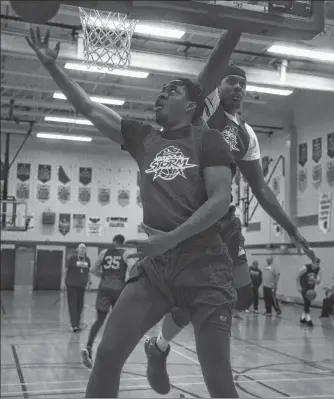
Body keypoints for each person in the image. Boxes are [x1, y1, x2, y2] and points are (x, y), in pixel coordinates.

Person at [26, 28, 241, 398]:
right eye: (160, 91)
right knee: (108, 355)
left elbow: (219, 200)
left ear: (191, 106)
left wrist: (170, 239)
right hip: (157, 266)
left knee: (218, 377)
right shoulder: (145, 137)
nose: (160, 95)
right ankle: (154, 353)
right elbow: (89, 108)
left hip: (205, 262)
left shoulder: (208, 140)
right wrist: (53, 66)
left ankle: (157, 352)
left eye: (170, 91)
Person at [143, 29, 316, 395]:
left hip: (224, 220)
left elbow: (262, 188)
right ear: (217, 87)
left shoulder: (247, 133)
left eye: (242, 83)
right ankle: (160, 346)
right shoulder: (202, 111)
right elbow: (218, 56)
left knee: (245, 297)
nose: (236, 87)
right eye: (230, 81)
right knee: (203, 297)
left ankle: (160, 343)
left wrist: (292, 230)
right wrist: (237, 22)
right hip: (192, 216)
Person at [81, 234, 134, 369]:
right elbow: (134, 270)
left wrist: (103, 276)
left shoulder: (104, 252)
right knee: (118, 322)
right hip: (118, 290)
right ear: (123, 243)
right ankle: (114, 353)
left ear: (113, 242)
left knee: (99, 321)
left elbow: (93, 269)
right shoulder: (126, 253)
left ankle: (88, 347)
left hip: (104, 288)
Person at [65, 243, 91, 332]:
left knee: (80, 305)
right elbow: (66, 270)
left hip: (82, 285)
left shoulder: (87, 260)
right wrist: (62, 282)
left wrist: (89, 282)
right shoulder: (72, 258)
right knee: (73, 305)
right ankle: (74, 325)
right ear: (77, 249)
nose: (83, 249)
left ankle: (77, 323)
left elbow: (88, 272)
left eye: (84, 248)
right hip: (71, 284)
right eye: (81, 248)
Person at [297, 258, 322, 326]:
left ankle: (302, 318)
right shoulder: (305, 268)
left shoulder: (318, 270)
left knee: (307, 303)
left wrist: (314, 279)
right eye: (315, 264)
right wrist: (298, 286)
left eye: (317, 264)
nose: (316, 265)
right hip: (304, 287)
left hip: (311, 289)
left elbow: (318, 282)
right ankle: (308, 319)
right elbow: (297, 276)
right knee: (307, 302)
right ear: (312, 263)